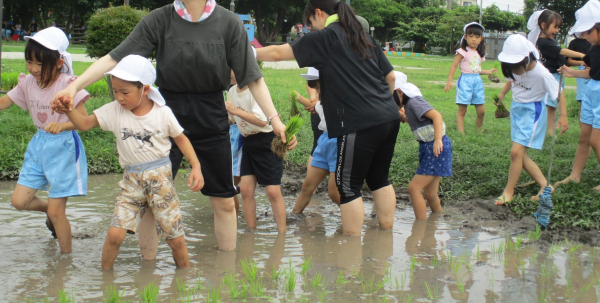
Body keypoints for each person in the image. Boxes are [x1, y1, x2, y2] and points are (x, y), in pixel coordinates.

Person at [50, 0, 292, 252]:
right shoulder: (160, 19)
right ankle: (148, 273)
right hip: (164, 114)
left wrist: (275, 120)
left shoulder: (228, 23)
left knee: (224, 201)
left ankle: (225, 274)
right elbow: (114, 59)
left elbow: (253, 78)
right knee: (150, 203)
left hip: (211, 114)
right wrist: (73, 87)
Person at [257, 0, 399, 236]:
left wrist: (244, 52)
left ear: (318, 13)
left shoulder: (325, 37)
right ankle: (384, 241)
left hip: (358, 123)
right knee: (379, 179)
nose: (312, 29)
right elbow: (391, 77)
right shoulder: (361, 35)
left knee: (348, 186)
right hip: (389, 117)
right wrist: (381, 105)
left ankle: (351, 256)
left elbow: (276, 52)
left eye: (311, 23)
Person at [54, 55, 202, 269]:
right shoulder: (114, 110)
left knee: (175, 238)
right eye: (115, 91)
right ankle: (105, 280)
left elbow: (181, 138)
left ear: (145, 89)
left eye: (125, 92)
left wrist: (196, 166)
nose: (119, 97)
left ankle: (184, 277)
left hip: (160, 181)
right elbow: (85, 124)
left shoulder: (162, 113)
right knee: (114, 234)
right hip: (131, 181)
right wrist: (68, 110)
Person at [0, 27, 89, 253]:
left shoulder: (69, 85)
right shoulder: (27, 82)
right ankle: (51, 209)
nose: (33, 69)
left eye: (39, 64)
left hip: (65, 146)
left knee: (57, 214)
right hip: (39, 146)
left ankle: (65, 264)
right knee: (19, 202)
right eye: (29, 62)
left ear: (59, 63)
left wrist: (62, 125)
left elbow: (84, 121)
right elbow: (4, 102)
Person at [494, 34, 568, 205]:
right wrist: (502, 94)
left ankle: (508, 191)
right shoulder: (513, 68)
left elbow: (559, 92)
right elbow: (510, 82)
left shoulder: (541, 74)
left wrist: (563, 116)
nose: (513, 71)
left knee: (515, 152)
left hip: (532, 113)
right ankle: (545, 184)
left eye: (516, 67)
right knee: (519, 154)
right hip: (517, 110)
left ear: (527, 58)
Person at [225, 63, 288, 234]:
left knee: (273, 191)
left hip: (267, 141)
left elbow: (262, 120)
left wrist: (235, 110)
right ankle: (251, 232)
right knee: (245, 189)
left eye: (231, 67)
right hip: (248, 142)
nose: (228, 71)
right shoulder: (231, 91)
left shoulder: (255, 89)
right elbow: (231, 119)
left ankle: (282, 234)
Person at [555, 0, 600, 191]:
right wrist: (572, 72)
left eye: (588, 32)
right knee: (585, 137)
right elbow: (592, 73)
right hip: (591, 91)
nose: (584, 36)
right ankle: (575, 175)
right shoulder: (593, 48)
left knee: (595, 140)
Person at [394, 72, 452, 219]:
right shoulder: (409, 105)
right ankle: (436, 221)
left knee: (414, 188)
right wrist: (405, 118)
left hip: (435, 147)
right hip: (428, 147)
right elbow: (422, 122)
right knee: (430, 193)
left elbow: (436, 116)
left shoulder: (414, 102)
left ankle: (421, 226)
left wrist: (438, 140)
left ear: (400, 92)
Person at [528, 10, 586, 136]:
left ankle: (549, 131)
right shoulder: (543, 42)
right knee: (546, 105)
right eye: (555, 27)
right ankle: (542, 131)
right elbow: (562, 52)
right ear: (543, 25)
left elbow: (557, 58)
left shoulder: (550, 40)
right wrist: (583, 56)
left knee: (552, 105)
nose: (557, 30)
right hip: (550, 77)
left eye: (558, 27)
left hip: (556, 75)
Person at [292, 67, 341, 214]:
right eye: (311, 84)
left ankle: (355, 220)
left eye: (315, 84)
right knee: (307, 186)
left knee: (334, 192)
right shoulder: (322, 101)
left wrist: (301, 98)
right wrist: (303, 100)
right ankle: (293, 217)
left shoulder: (340, 96)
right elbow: (315, 106)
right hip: (324, 141)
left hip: (338, 142)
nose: (313, 88)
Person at [444, 22, 496, 134]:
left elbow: (476, 69)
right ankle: (461, 133)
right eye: (471, 36)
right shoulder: (462, 51)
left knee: (481, 111)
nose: (474, 39)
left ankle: (479, 130)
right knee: (462, 110)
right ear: (465, 37)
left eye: (477, 37)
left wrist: (488, 72)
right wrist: (449, 81)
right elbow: (453, 66)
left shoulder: (479, 53)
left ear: (481, 38)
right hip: (465, 82)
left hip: (477, 82)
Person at [567, 36, 592, 113]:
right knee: (583, 100)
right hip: (582, 69)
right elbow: (569, 61)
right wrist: (582, 62)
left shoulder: (594, 43)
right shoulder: (574, 43)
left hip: (594, 69)